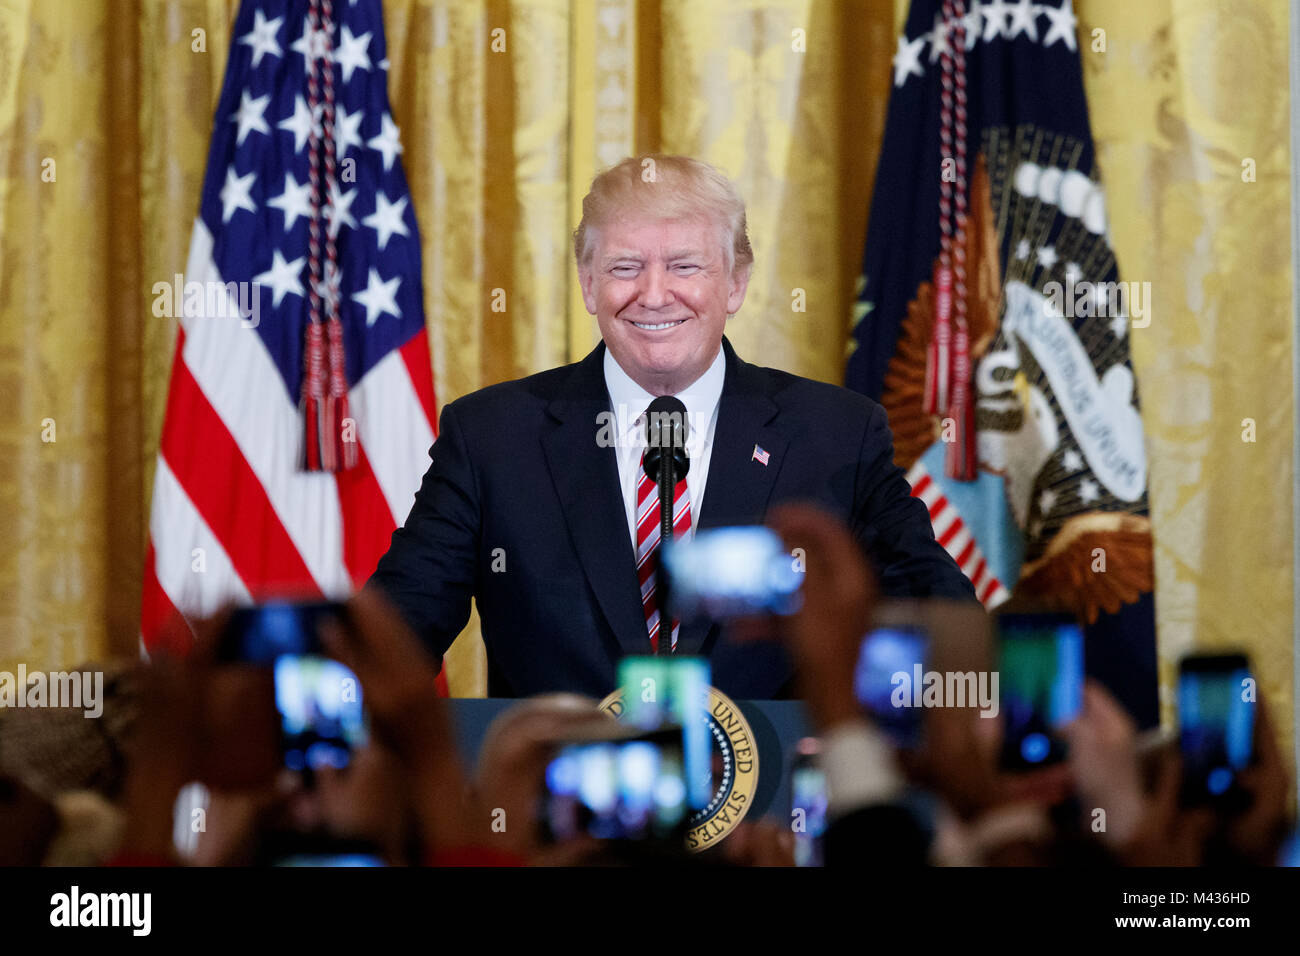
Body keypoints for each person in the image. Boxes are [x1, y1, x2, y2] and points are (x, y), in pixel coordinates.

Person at [369, 154, 976, 700]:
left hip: (773, 810)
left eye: (684, 266)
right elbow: (390, 643)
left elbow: (945, 629)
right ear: (587, 283)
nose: (654, 295)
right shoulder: (491, 438)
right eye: (625, 267)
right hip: (561, 810)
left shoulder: (839, 435)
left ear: (735, 284)